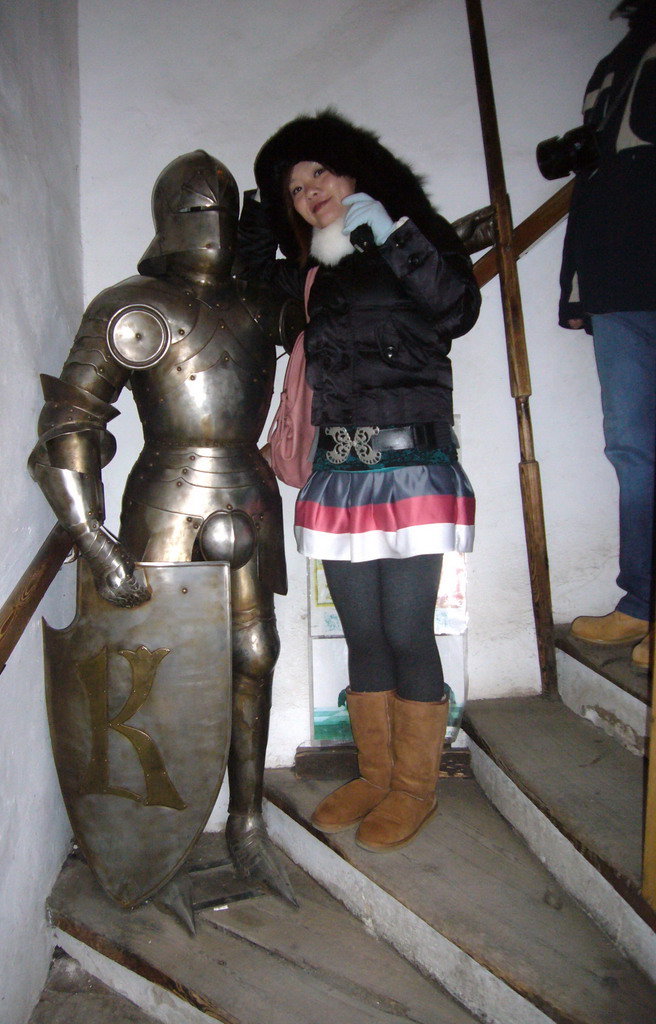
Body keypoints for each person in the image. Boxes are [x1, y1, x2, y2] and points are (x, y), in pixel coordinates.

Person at [29, 151, 295, 915]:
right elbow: (70, 422)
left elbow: (341, 301)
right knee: (159, 668)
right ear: (172, 222)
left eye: (224, 216)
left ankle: (248, 825)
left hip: (246, 489)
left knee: (255, 653)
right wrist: (89, 535)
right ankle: (163, 848)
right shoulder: (132, 306)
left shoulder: (257, 304)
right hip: (168, 494)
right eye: (200, 214)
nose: (213, 231)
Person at [236, 110, 480, 852]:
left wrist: (390, 233)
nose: (311, 191)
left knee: (407, 630)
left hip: (412, 465)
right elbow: (256, 291)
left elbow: (457, 309)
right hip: (342, 470)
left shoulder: (411, 238)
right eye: (295, 187)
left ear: (355, 171)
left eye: (321, 174)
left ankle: (415, 788)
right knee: (364, 634)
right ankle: (376, 775)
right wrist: (255, 219)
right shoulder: (315, 273)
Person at [556, 1, 656, 669]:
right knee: (630, 447)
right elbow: (589, 185)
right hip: (617, 283)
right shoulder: (613, 65)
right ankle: (643, 603)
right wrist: (574, 286)